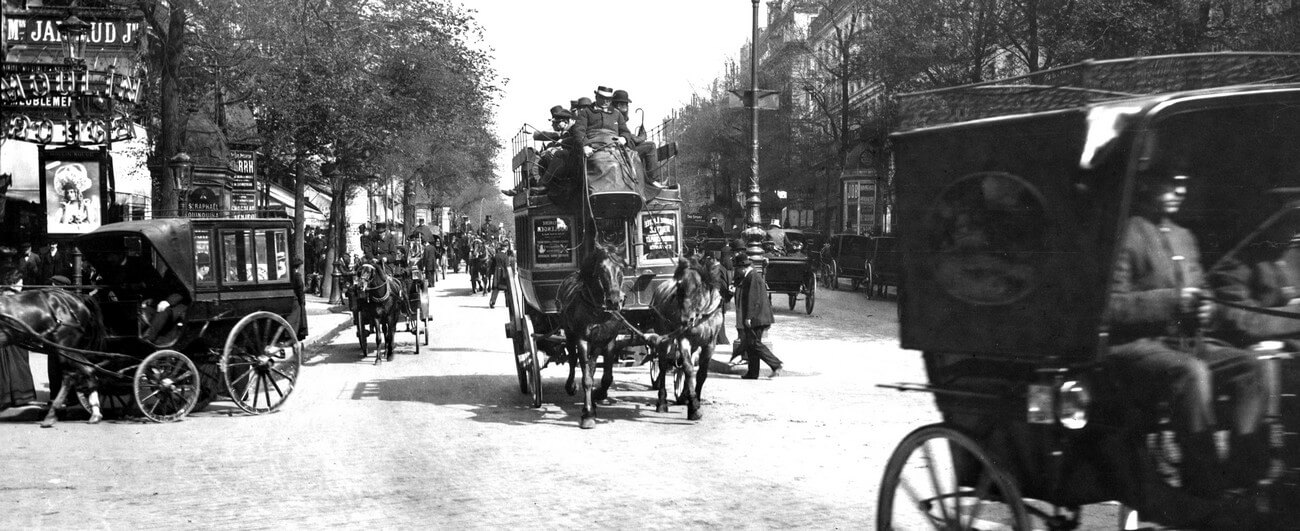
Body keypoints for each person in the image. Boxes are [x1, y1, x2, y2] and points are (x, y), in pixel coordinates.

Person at [1104, 171, 1269, 495]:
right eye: (1170, 182)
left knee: (1252, 367)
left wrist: (1207, 309)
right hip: (1136, 346)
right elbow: (1110, 306)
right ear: (1147, 183)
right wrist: (1172, 301)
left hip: (1185, 342)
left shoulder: (1184, 236)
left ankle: (1246, 480)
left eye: (1183, 182)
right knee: (1191, 373)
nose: (1180, 190)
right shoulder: (1126, 233)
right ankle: (1202, 484)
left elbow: (1203, 291)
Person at [733, 252, 782, 379]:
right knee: (751, 345)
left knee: (754, 344)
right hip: (758, 316)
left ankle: (775, 364)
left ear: (742, 267)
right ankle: (753, 373)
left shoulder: (752, 276)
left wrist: (748, 317)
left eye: (737, 269)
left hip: (758, 317)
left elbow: (753, 299)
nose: (737, 272)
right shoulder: (751, 275)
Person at [611, 89, 665, 188]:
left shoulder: (612, 115)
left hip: (622, 148)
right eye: (626, 104)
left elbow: (626, 134)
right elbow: (626, 135)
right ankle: (653, 180)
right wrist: (641, 138)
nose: (627, 107)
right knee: (651, 146)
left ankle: (647, 179)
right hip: (625, 151)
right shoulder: (617, 116)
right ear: (619, 105)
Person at [569, 86, 635, 158]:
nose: (605, 101)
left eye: (608, 99)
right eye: (602, 98)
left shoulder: (617, 113)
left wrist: (624, 138)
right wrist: (585, 146)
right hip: (593, 146)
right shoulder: (586, 112)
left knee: (634, 158)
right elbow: (579, 131)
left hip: (614, 146)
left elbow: (625, 131)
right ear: (596, 97)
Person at [487, 239, 513, 309]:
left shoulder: (496, 256)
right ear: (505, 248)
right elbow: (507, 266)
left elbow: (492, 265)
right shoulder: (505, 257)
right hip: (503, 274)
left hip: (496, 273)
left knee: (496, 288)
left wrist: (492, 272)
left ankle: (492, 302)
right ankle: (508, 304)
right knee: (507, 289)